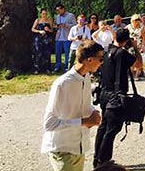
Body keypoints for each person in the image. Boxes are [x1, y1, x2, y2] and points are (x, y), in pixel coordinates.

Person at [41, 40, 103, 171]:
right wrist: (83, 121)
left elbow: (85, 104)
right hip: (62, 149)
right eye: (100, 58)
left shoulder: (86, 78)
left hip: (79, 148)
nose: (102, 62)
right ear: (89, 60)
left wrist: (93, 112)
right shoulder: (62, 84)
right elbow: (49, 123)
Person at [93, 29, 142, 168]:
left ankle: (97, 159)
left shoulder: (107, 50)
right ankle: (104, 162)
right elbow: (138, 64)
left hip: (104, 94)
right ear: (126, 40)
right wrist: (135, 47)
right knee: (112, 129)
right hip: (116, 96)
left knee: (103, 127)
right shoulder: (122, 54)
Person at [54, 4, 76, 73]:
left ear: (63, 9)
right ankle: (58, 66)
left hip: (67, 37)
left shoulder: (70, 15)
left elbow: (74, 25)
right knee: (57, 53)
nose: (58, 12)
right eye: (57, 10)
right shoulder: (57, 17)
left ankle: (67, 67)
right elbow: (55, 26)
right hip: (58, 37)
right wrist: (57, 26)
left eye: (59, 10)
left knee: (67, 53)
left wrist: (66, 25)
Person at [32, 9, 54, 73]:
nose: (44, 15)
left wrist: (48, 29)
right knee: (38, 53)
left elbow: (52, 30)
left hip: (47, 38)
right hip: (39, 38)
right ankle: (37, 68)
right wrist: (39, 31)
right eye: (43, 14)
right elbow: (32, 29)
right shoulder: (38, 20)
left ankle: (47, 68)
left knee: (47, 53)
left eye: (46, 14)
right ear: (41, 14)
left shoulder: (49, 20)